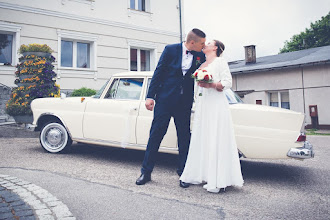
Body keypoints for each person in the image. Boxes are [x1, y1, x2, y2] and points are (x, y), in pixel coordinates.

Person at [136, 29, 206, 188]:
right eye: (202, 43)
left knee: (184, 137)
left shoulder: (200, 56)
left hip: (184, 102)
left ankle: (184, 173)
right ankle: (146, 172)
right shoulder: (170, 49)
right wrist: (150, 96)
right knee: (156, 134)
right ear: (192, 42)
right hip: (165, 100)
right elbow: (158, 72)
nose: (204, 46)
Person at [179, 40, 244, 193]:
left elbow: (228, 82)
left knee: (216, 136)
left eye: (208, 43)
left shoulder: (220, 62)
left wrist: (212, 84)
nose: (205, 45)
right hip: (203, 104)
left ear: (215, 48)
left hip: (216, 104)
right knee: (203, 137)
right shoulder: (201, 65)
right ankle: (202, 174)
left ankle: (218, 179)